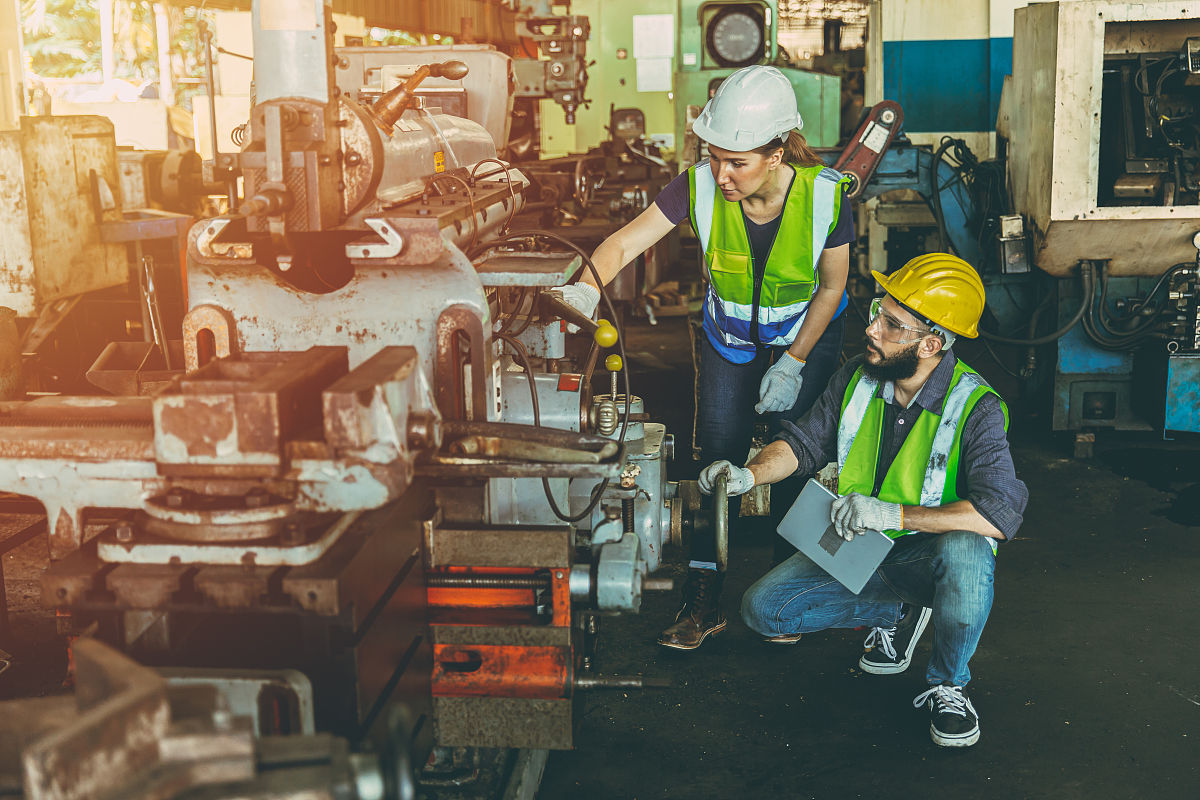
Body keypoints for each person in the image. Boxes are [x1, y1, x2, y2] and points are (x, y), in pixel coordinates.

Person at [552, 65, 855, 650]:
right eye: (714, 157)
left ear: (775, 154)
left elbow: (833, 286)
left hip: (806, 338)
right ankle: (704, 593)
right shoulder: (696, 186)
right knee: (716, 458)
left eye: (736, 162)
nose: (722, 174)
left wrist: (794, 361)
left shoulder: (825, 195)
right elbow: (624, 242)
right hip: (729, 340)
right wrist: (585, 290)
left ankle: (783, 592)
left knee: (796, 455)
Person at [698, 253, 1028, 748]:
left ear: (930, 344)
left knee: (969, 550)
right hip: (860, 546)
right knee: (764, 611)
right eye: (878, 312)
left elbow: (999, 513)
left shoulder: (975, 407)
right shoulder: (858, 375)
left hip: (928, 553)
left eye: (892, 324)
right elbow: (804, 443)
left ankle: (949, 685)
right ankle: (897, 613)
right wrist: (749, 475)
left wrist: (894, 514)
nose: (872, 329)